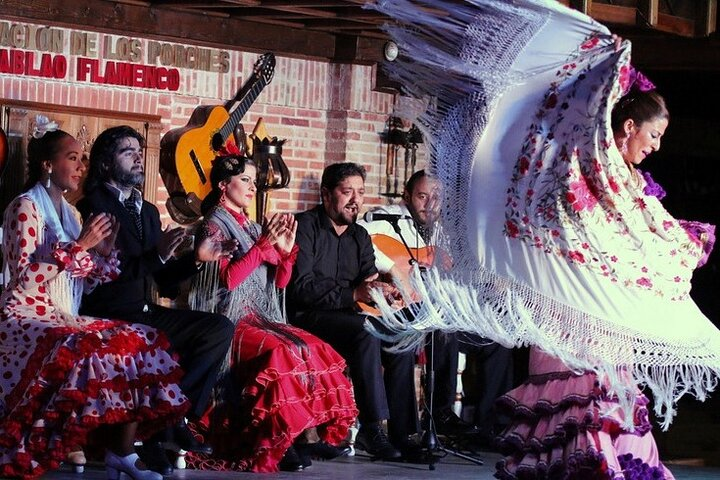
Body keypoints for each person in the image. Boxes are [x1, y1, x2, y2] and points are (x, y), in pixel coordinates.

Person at [493, 87, 702, 479]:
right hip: (569, 307)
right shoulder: (590, 168)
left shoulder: (634, 184)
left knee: (607, 396)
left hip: (604, 313)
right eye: (653, 135)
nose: (656, 147)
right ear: (628, 127)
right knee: (576, 398)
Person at [0, 125, 189, 480]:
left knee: (142, 340)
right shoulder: (25, 208)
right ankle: (72, 443)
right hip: (25, 315)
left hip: (62, 314)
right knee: (92, 346)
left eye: (82, 159)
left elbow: (82, 282)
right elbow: (23, 279)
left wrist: (101, 257)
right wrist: (80, 247)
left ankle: (123, 453)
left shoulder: (70, 215)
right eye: (72, 158)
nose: (80, 166)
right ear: (47, 164)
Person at [183, 153, 358, 472]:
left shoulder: (250, 226)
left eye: (254, 181)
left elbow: (280, 281)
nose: (252, 187)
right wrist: (262, 248)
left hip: (262, 315)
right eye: (245, 180)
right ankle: (280, 440)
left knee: (312, 346)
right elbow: (229, 280)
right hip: (228, 319)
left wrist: (287, 254)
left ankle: (305, 435)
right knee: (285, 352)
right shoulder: (211, 224)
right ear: (224, 185)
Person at [77, 125, 235, 475]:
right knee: (151, 341)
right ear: (104, 164)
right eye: (126, 151)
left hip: (144, 311)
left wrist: (196, 258)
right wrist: (159, 256)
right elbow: (108, 274)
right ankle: (161, 431)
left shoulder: (146, 210)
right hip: (108, 314)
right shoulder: (91, 207)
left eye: (139, 149)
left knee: (219, 328)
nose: (137, 157)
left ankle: (173, 418)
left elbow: (161, 281)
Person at [359, 169, 510, 441]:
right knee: (443, 325)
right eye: (421, 196)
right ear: (407, 195)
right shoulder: (385, 218)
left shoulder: (445, 233)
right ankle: (440, 411)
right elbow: (357, 237)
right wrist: (391, 267)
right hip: (401, 313)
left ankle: (489, 427)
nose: (429, 205)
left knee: (496, 341)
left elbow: (461, 271)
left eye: (436, 198)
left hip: (433, 311)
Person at [288, 162, 419, 460]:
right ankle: (372, 429)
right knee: (365, 331)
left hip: (349, 314)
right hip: (309, 316)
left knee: (401, 334)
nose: (355, 200)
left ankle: (403, 433)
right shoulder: (305, 227)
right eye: (347, 192)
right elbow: (302, 288)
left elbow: (368, 279)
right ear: (326, 194)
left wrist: (383, 291)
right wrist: (354, 293)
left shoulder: (359, 235)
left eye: (360, 192)